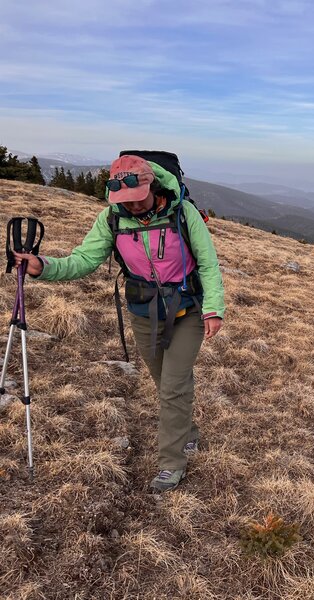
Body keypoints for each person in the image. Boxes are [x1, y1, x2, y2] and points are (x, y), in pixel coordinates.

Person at [13, 154, 225, 491]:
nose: (133, 207)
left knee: (172, 386)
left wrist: (214, 309)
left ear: (151, 186)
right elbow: (84, 260)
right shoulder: (112, 219)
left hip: (189, 310)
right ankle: (189, 433)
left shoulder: (182, 214)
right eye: (124, 201)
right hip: (143, 312)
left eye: (137, 199)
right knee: (165, 382)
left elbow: (208, 263)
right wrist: (45, 266)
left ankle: (171, 463)